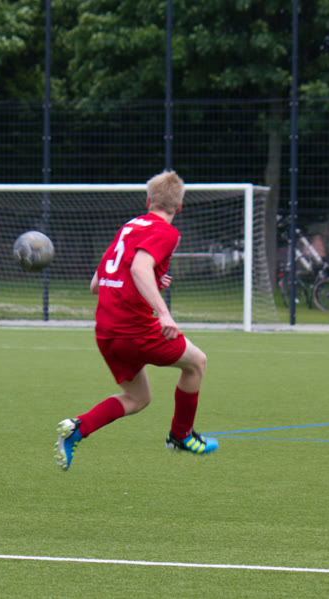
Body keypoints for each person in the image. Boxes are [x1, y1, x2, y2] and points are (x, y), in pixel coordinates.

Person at [54, 170, 218, 471]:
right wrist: (164, 313)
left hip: (106, 332)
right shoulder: (167, 232)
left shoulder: (129, 227)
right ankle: (181, 436)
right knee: (197, 363)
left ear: (148, 201)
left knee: (137, 397)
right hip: (135, 331)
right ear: (179, 206)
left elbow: (96, 284)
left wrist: (152, 279)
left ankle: (78, 427)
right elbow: (140, 268)